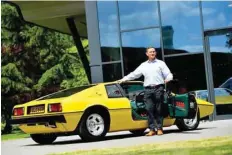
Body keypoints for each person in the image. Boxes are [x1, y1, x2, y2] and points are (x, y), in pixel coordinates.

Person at [118, 47, 173, 136]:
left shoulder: (161, 63)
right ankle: (152, 129)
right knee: (149, 109)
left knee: (159, 109)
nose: (152, 53)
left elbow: (168, 74)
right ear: (147, 54)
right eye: (150, 52)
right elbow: (134, 74)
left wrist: (168, 78)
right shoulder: (143, 65)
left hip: (158, 88)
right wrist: (124, 79)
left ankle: (159, 129)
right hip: (147, 89)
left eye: (154, 52)